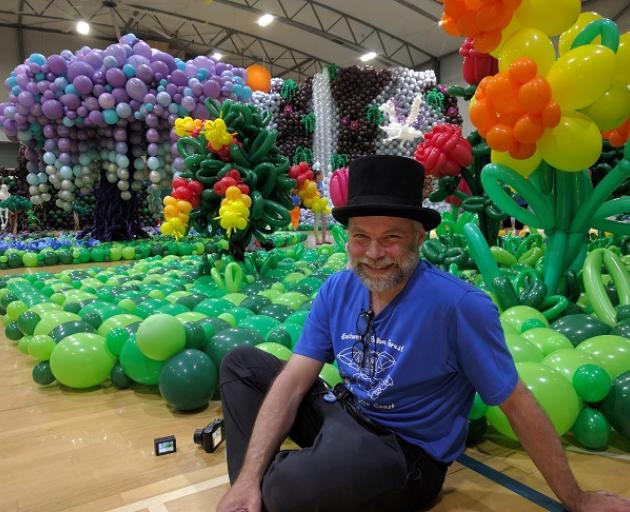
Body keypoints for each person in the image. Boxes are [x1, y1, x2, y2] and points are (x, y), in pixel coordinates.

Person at [217, 155, 630, 512]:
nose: (374, 253)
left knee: (285, 490)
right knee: (242, 365)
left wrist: (575, 498)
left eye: (391, 238)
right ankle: (250, 490)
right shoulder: (337, 289)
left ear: (419, 236)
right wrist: (247, 477)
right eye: (361, 237)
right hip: (344, 413)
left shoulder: (458, 306)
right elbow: (293, 380)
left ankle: (274, 486)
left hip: (403, 452)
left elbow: (516, 402)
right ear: (349, 238)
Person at [312, 169, 329, 244]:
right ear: (317, 176)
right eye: (321, 175)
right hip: (316, 206)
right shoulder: (313, 184)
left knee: (324, 222)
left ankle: (324, 239)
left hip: (322, 205)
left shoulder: (321, 183)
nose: (323, 176)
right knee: (316, 222)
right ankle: (317, 240)